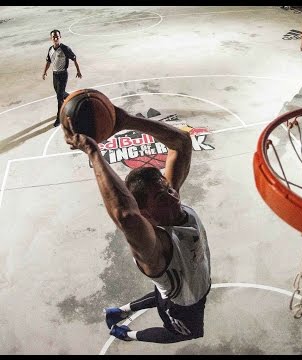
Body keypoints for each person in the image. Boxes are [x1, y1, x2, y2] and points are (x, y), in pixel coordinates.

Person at [62, 106, 212, 343]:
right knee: (185, 332)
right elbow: (126, 216)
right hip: (182, 304)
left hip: (184, 280)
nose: (173, 196)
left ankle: (120, 311)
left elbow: (181, 143)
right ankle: (127, 334)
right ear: (145, 213)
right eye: (161, 197)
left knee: (161, 290)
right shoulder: (154, 248)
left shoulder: (169, 207)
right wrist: (92, 152)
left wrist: (127, 121)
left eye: (168, 189)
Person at [42, 29, 82, 127]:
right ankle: (74, 100)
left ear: (60, 37)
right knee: (61, 94)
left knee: (59, 97)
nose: (55, 38)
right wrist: (44, 71)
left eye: (57, 36)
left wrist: (78, 71)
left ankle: (59, 117)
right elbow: (48, 61)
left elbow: (74, 58)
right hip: (54, 75)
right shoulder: (50, 49)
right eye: (53, 37)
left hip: (63, 75)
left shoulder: (65, 49)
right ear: (51, 38)